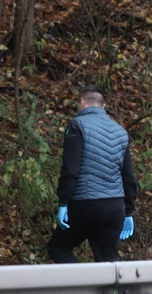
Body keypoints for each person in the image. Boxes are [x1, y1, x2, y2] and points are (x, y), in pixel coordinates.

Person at [46, 85, 138, 263]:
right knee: (108, 262)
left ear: (82, 103)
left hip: (85, 205)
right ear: (103, 106)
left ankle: (81, 281)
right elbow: (129, 176)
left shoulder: (77, 125)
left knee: (58, 248)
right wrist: (129, 211)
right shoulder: (120, 131)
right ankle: (106, 283)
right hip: (115, 208)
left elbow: (70, 168)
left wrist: (63, 202)